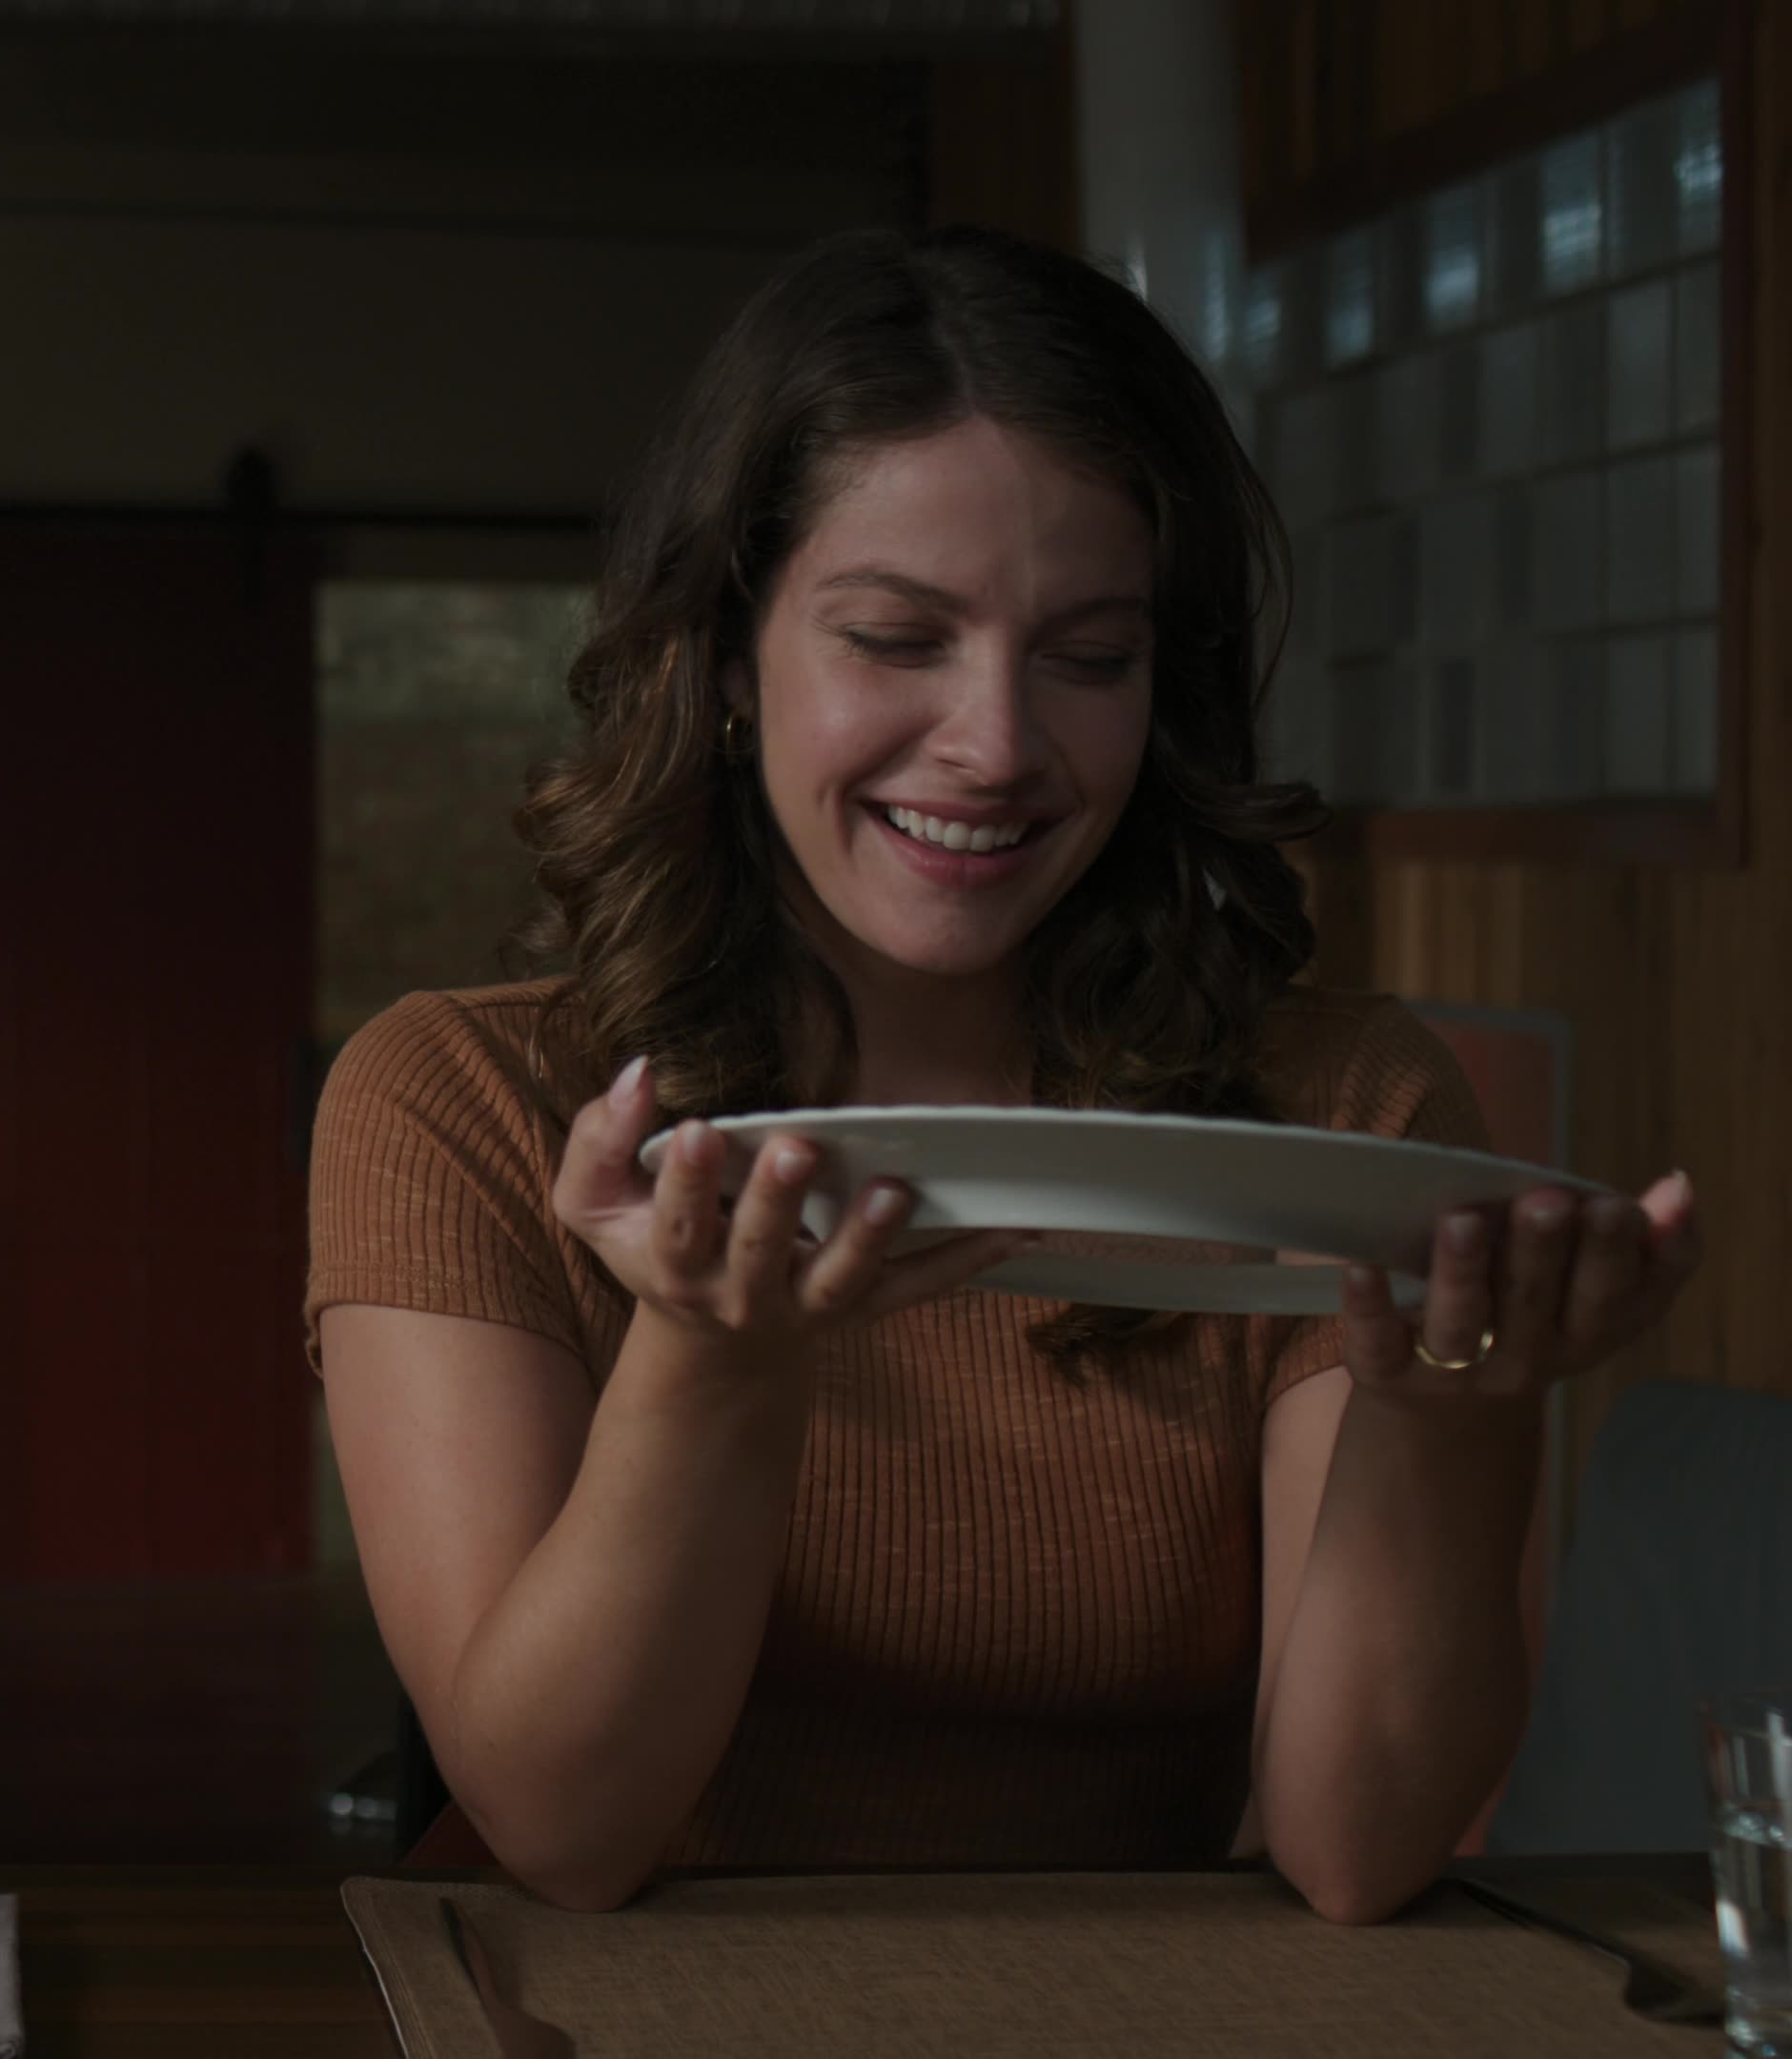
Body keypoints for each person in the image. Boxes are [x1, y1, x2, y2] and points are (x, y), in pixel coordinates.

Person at [306, 225, 1699, 1922]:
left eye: (1090, 657)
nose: (999, 745)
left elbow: (1354, 1858)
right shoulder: (456, 1098)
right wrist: (715, 1360)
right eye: (898, 638)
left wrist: (1451, 1411)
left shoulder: (1343, 1117)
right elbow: (566, 1832)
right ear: (729, 656)